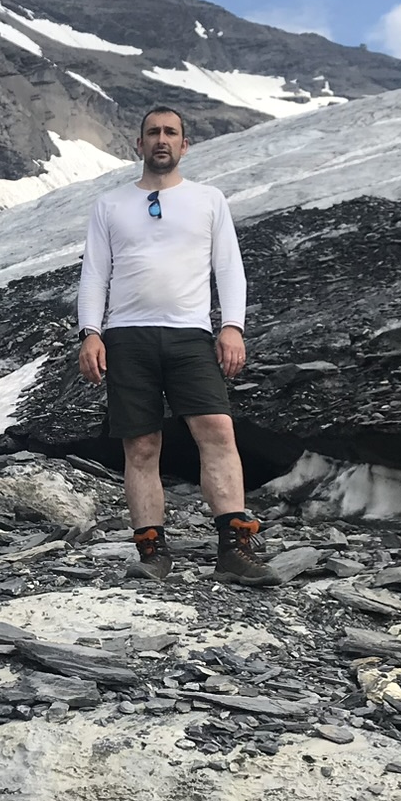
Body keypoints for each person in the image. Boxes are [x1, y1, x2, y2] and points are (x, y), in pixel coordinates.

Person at [75, 105, 283, 587]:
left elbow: (229, 267)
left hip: (191, 334)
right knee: (142, 444)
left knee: (217, 431)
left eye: (171, 133)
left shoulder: (208, 200)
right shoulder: (110, 205)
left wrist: (232, 326)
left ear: (185, 145)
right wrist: (91, 333)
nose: (162, 140)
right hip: (127, 335)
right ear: (139, 144)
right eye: (153, 132)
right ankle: (152, 551)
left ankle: (234, 549)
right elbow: (95, 274)